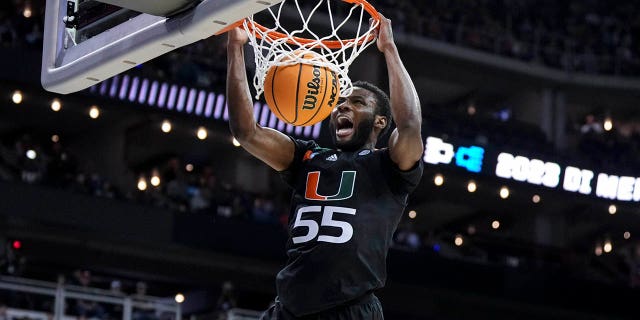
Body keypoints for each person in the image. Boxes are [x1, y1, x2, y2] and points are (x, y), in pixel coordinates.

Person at [226, 14, 423, 319]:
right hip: (290, 308)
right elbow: (246, 132)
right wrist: (236, 47)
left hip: (350, 308)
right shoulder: (306, 157)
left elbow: (410, 124)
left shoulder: (389, 166)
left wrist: (389, 49)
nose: (343, 106)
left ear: (380, 122)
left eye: (357, 103)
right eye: (341, 101)